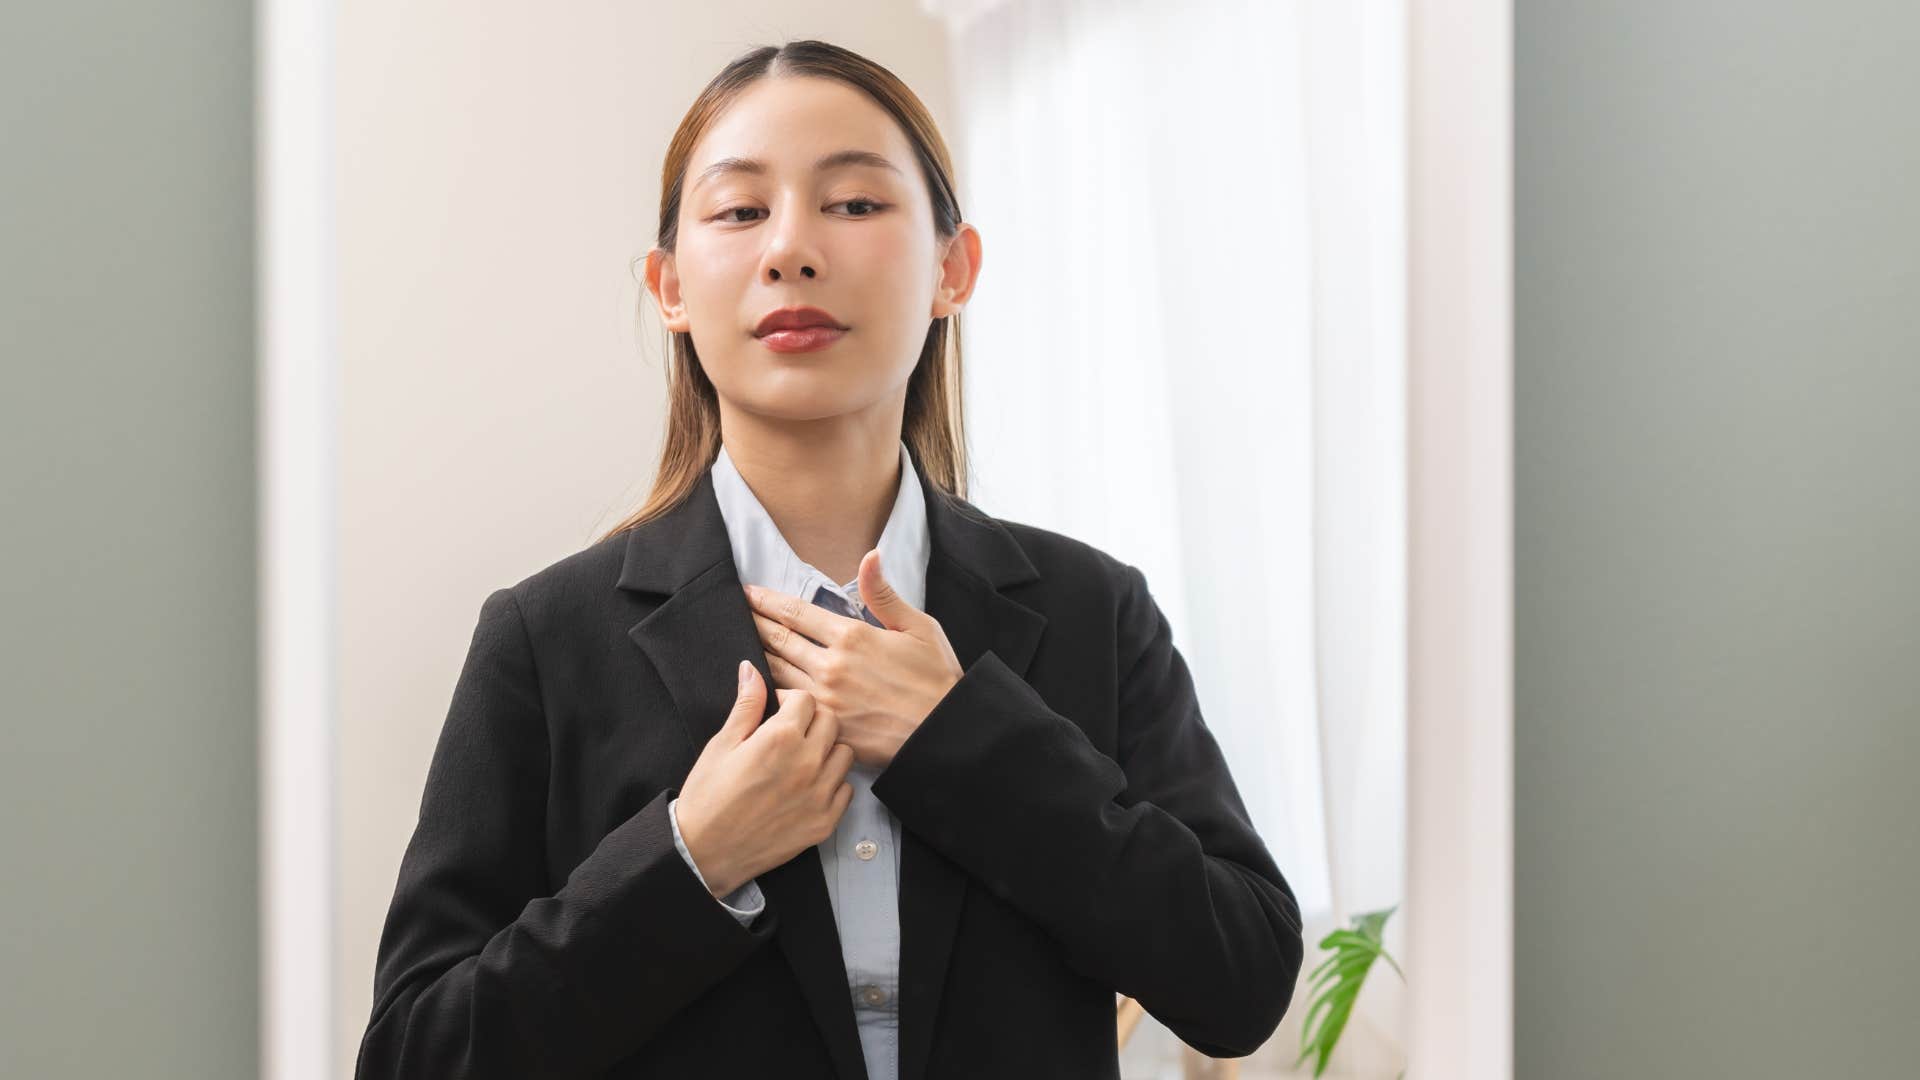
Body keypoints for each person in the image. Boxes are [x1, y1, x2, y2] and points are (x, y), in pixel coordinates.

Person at [355, 38, 1303, 1080]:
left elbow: (1242, 982)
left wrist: (968, 743)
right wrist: (692, 859)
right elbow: (414, 1055)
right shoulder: (545, 640)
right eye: (739, 211)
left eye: (853, 203)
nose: (791, 250)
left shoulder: (1095, 610)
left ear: (953, 268)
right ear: (670, 288)